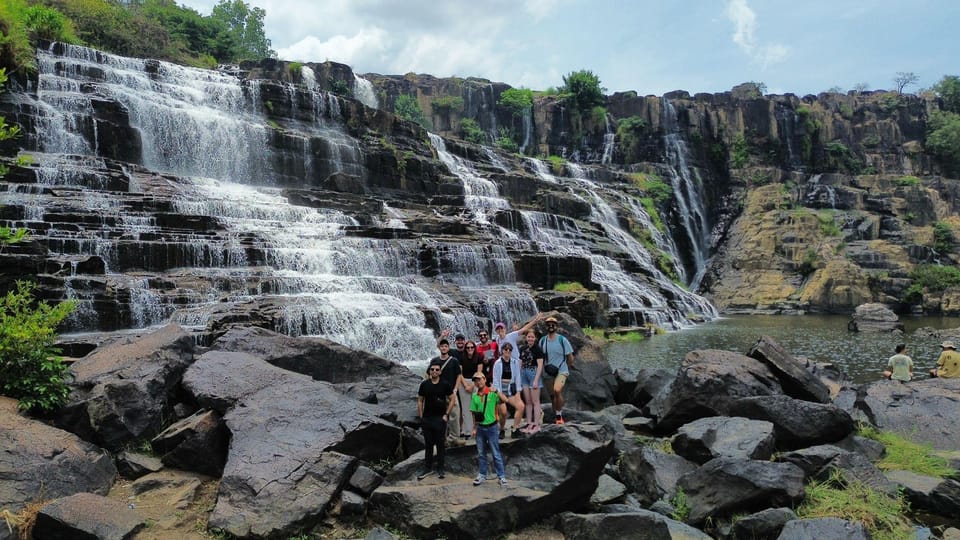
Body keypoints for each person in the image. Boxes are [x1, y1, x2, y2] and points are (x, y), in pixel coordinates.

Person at [417, 358, 456, 480]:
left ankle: (441, 468)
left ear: (440, 372)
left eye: (436, 370)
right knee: (428, 445)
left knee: (440, 445)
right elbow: (420, 400)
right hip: (427, 419)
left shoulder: (444, 384)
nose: (434, 371)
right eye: (432, 369)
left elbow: (452, 399)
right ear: (429, 371)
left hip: (440, 418)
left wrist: (446, 415)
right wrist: (421, 416)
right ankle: (427, 468)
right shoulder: (424, 384)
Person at [469, 372, 508, 487]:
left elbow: (505, 400)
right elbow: (474, 414)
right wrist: (474, 428)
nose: (478, 382)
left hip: (492, 427)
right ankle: (482, 475)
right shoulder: (475, 396)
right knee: (481, 453)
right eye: (475, 380)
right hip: (480, 428)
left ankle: (501, 476)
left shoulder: (492, 393)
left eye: (480, 379)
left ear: (485, 379)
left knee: (496, 453)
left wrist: (496, 391)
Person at [540, 316, 574, 425]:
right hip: (548, 371)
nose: (551, 326)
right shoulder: (542, 341)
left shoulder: (562, 340)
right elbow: (540, 357)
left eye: (553, 324)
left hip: (561, 370)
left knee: (557, 390)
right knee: (552, 396)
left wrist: (565, 368)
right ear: (546, 327)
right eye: (549, 324)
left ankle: (559, 415)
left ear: (556, 327)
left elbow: (570, 357)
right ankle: (556, 416)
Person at [428, 339, 464, 440]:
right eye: (442, 346)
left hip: (451, 392)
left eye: (445, 346)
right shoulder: (434, 361)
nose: (443, 348)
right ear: (439, 348)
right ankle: (440, 438)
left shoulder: (454, 361)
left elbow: (459, 375)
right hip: (438, 393)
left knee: (454, 415)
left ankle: (454, 437)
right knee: (439, 416)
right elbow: (428, 374)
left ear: (448, 348)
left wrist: (456, 389)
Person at [492, 342, 524, 438]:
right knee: (504, 412)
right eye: (506, 349)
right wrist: (499, 393)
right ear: (502, 351)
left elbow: (518, 378)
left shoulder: (515, 362)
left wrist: (518, 392)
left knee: (521, 406)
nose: (508, 351)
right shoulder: (497, 364)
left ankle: (515, 429)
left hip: (510, 390)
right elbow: (495, 381)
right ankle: (502, 429)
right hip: (500, 390)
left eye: (510, 350)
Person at [517, 329, 545, 433]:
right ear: (526, 338)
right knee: (528, 401)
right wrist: (518, 376)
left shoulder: (538, 349)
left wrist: (536, 380)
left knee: (535, 401)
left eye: (532, 337)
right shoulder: (522, 348)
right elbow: (520, 362)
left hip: (533, 373)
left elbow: (540, 365)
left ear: (535, 338)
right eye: (529, 337)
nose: (530, 339)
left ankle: (536, 424)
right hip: (524, 373)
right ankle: (529, 423)